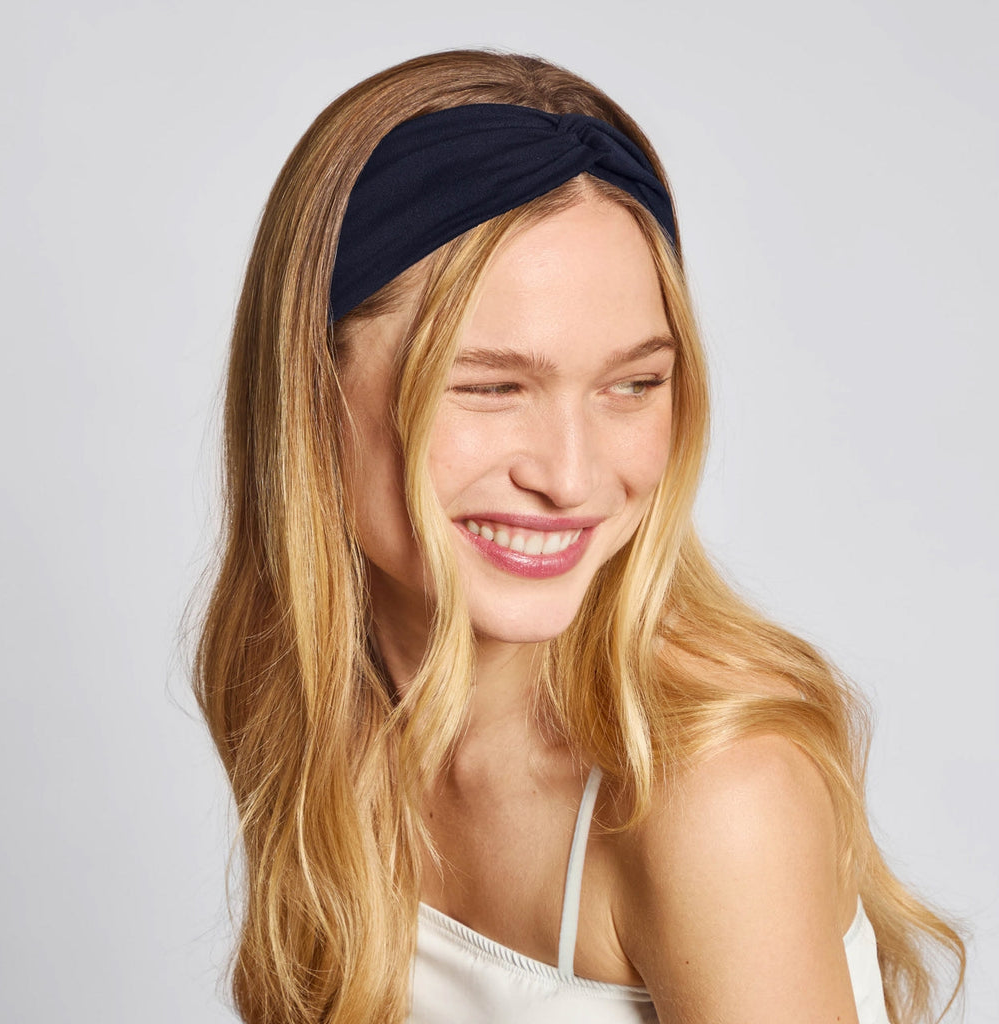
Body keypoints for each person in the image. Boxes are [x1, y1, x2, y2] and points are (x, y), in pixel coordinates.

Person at [193, 50, 964, 1024]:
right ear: (309, 387)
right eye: (491, 387)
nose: (570, 477)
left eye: (632, 384)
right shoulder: (301, 702)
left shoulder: (710, 795)